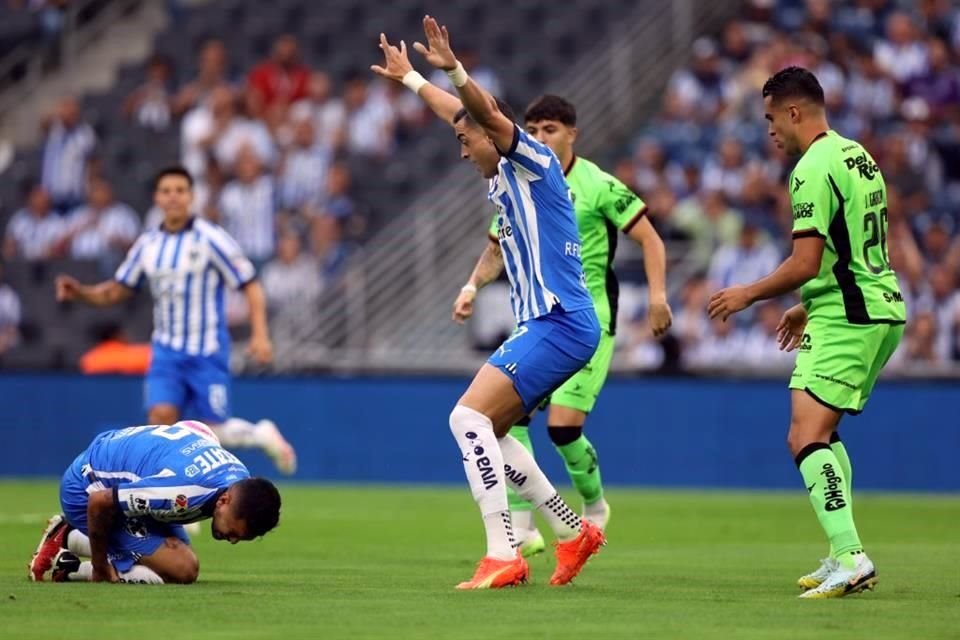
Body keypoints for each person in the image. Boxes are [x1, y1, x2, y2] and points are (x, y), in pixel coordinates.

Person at [372, 18, 605, 589]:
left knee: (465, 417)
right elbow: (460, 114)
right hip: (552, 324)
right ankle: (573, 533)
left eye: (463, 141)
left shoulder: (532, 162)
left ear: (487, 133)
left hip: (559, 321)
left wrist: (452, 68)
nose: (460, 152)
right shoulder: (505, 176)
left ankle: (504, 551)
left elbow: (482, 113)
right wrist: (411, 81)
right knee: (492, 433)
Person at [707, 67, 906, 599]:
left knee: (804, 435)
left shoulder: (810, 168)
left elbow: (805, 260)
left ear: (794, 112)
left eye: (771, 118)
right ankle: (845, 549)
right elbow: (849, 252)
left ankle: (851, 557)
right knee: (823, 432)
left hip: (850, 317)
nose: (769, 131)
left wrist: (749, 293)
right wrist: (806, 304)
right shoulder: (858, 156)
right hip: (874, 308)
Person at [452, 95, 673, 555]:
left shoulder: (599, 185)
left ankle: (592, 507)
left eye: (549, 129)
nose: (539, 136)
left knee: (562, 427)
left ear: (572, 133)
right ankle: (531, 528)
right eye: (532, 128)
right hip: (540, 319)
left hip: (584, 319)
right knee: (504, 421)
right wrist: (472, 286)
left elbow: (649, 236)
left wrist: (656, 296)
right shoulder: (518, 179)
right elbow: (496, 246)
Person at [55, 167, 297, 475]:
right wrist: (82, 293)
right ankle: (177, 506)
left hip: (206, 350)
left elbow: (250, 283)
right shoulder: (148, 245)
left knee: (213, 430)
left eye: (180, 190)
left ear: (191, 197)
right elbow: (118, 290)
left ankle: (262, 435)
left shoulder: (211, 239)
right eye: (166, 191)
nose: (173, 197)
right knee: (161, 421)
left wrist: (260, 335)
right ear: (157, 198)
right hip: (166, 352)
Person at [28, 421, 281, 584]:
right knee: (181, 569)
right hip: (86, 490)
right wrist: (100, 566)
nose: (233, 540)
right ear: (224, 500)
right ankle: (67, 546)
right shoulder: (181, 490)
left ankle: (78, 547)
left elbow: (196, 428)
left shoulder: (238, 477)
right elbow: (99, 502)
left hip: (121, 469)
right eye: (234, 532)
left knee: (176, 563)